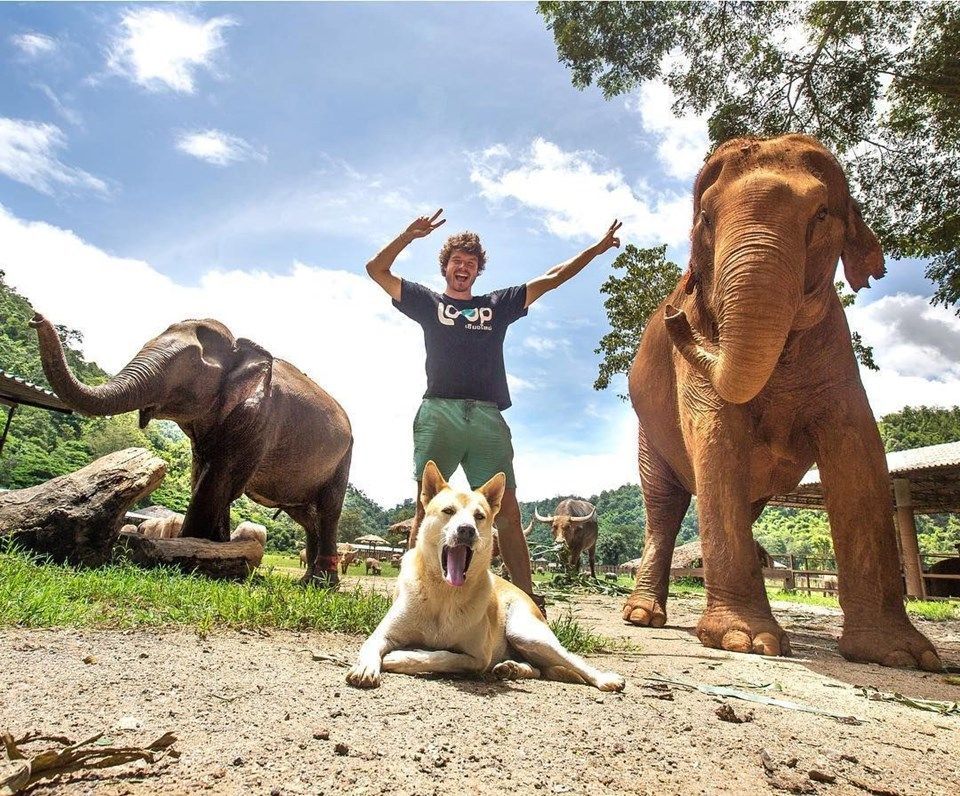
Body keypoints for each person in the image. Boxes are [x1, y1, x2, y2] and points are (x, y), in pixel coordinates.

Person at [366, 208, 622, 609]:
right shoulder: (428, 302)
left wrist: (597, 247)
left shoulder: (496, 305)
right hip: (439, 411)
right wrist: (407, 235)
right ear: (446, 268)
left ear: (477, 270)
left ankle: (527, 599)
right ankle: (412, 597)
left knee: (510, 515)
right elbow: (376, 269)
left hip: (487, 417)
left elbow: (552, 277)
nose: (463, 267)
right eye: (456, 261)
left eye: (470, 263)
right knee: (426, 508)